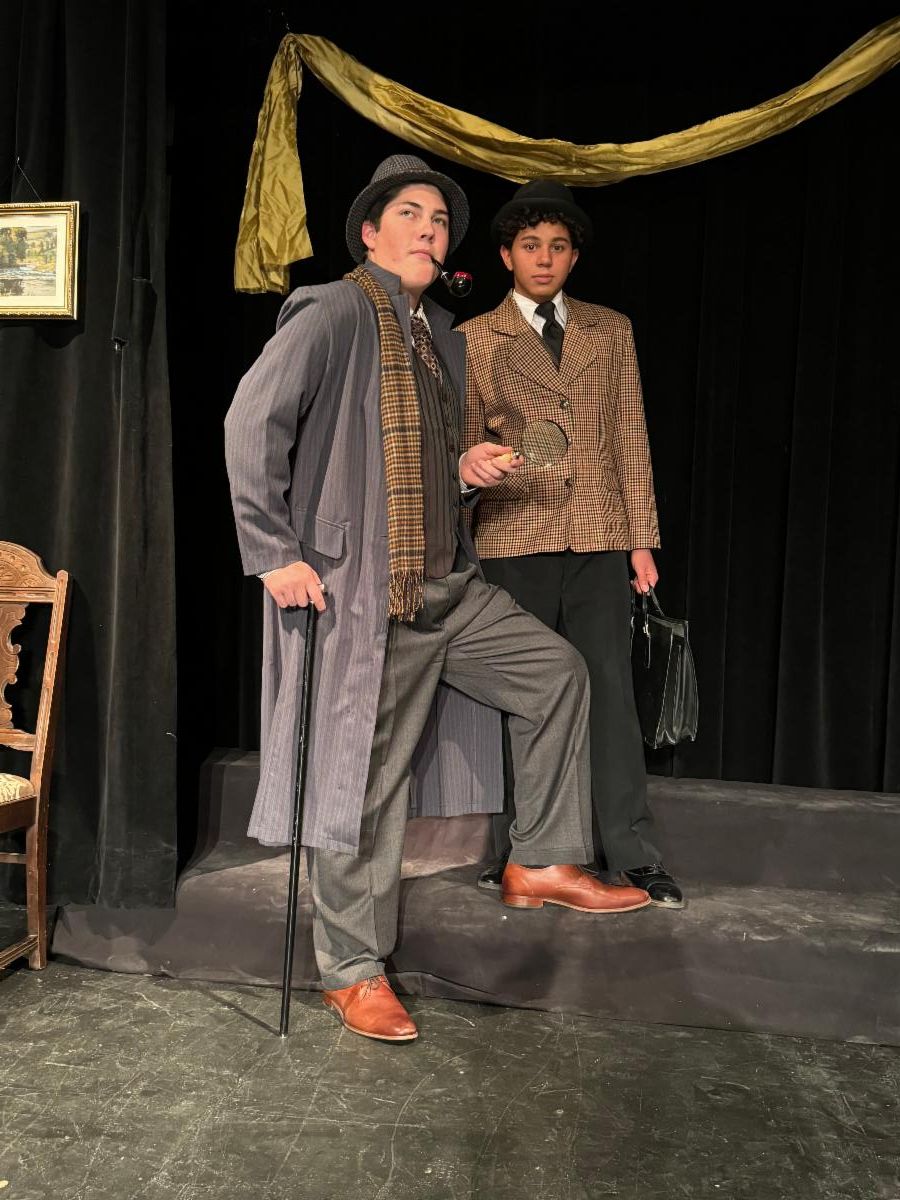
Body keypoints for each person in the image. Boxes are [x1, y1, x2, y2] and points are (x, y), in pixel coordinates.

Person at [224, 155, 650, 1045]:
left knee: (556, 674)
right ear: (370, 233)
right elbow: (251, 422)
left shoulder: (434, 335)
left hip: (445, 585)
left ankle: (540, 860)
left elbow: (411, 463)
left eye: (440, 219)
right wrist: (273, 554)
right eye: (410, 215)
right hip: (367, 594)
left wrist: (462, 468)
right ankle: (351, 969)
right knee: (366, 783)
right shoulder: (334, 311)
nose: (429, 229)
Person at [459, 179, 683, 909]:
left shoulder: (608, 331)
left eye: (557, 246)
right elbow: (462, 441)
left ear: (574, 256)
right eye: (530, 246)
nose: (544, 258)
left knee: (609, 692)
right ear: (506, 255)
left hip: (597, 534)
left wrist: (640, 539)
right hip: (513, 534)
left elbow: (630, 437)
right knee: (524, 696)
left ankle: (632, 852)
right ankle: (523, 851)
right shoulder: (475, 338)